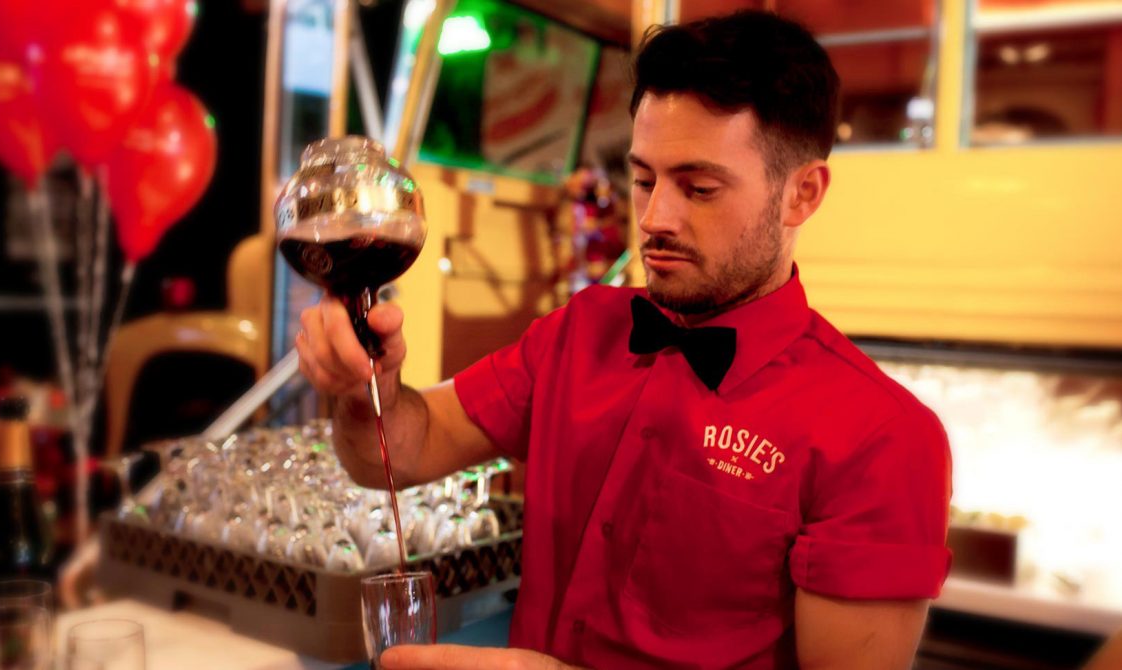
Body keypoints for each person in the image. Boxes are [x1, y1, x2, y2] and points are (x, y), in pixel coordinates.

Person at [297, 9, 952, 669]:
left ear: (802, 194)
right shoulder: (584, 330)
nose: (655, 218)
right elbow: (401, 452)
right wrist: (365, 391)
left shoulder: (883, 439)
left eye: (698, 188)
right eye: (642, 179)